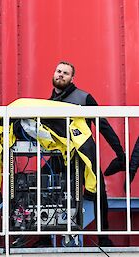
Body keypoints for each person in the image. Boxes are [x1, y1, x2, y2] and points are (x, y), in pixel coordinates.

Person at [48, 61, 126, 246]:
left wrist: (120, 154)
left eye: (65, 73)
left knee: (100, 195)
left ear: (72, 78)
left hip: (83, 157)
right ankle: (44, 237)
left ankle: (104, 238)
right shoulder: (48, 104)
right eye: (59, 71)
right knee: (40, 188)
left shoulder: (84, 98)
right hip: (59, 158)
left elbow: (104, 127)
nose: (61, 75)